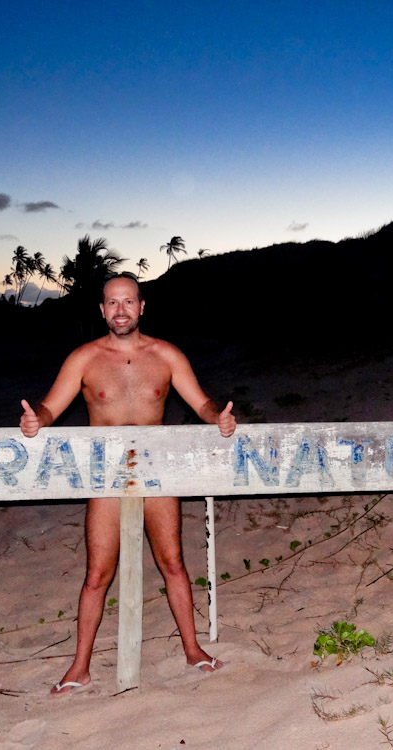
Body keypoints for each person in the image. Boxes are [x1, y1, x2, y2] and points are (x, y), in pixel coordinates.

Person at [19, 272, 236, 695]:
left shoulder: (166, 354)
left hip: (156, 469)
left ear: (142, 307)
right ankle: (79, 667)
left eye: (129, 301)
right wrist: (36, 421)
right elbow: (50, 407)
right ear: (102, 310)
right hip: (107, 473)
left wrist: (218, 418)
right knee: (97, 573)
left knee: (172, 562)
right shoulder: (84, 358)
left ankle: (193, 649)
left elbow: (201, 402)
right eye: (113, 303)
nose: (121, 310)